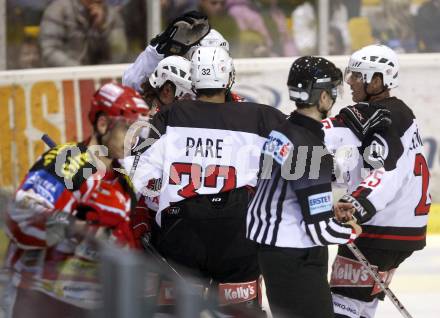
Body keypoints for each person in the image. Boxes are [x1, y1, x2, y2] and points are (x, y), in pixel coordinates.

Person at [125, 46, 286, 315]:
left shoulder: (169, 117)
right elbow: (305, 158)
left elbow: (134, 174)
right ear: (229, 78)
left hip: (181, 232)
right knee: (240, 311)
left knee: (176, 311)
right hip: (237, 233)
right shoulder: (260, 117)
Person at [2, 83, 149, 317]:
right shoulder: (70, 161)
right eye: (127, 129)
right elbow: (21, 216)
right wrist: (78, 227)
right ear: (103, 124)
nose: (133, 139)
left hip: (86, 307)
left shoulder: (123, 182)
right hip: (36, 298)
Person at [246, 56, 363, 318]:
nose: (334, 98)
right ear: (322, 97)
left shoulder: (282, 130)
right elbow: (319, 229)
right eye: (333, 91)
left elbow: (282, 189)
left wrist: (327, 207)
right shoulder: (311, 149)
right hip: (294, 254)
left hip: (273, 248)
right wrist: (352, 231)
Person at [324, 44, 430, 318]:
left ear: (378, 80)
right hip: (403, 227)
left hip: (382, 228)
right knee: (360, 306)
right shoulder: (398, 112)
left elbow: (389, 172)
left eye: (358, 76)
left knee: (342, 306)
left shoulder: (386, 117)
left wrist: (356, 204)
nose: (350, 81)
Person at [39, 0, 127, 67]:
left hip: (102, 80)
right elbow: (49, 52)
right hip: (64, 78)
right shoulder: (58, 10)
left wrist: (102, 28)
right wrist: (80, 71)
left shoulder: (113, 16)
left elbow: (119, 55)